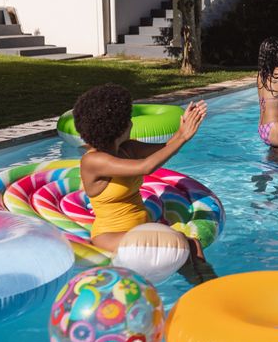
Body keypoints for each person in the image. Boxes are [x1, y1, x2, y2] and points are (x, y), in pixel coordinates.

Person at [73, 83, 215, 280]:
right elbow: (146, 167)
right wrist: (182, 137)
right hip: (110, 236)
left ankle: (207, 289)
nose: (131, 123)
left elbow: (165, 147)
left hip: (142, 228)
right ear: (118, 126)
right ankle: (205, 289)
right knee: (182, 243)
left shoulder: (128, 148)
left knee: (192, 245)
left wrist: (184, 131)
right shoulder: (93, 160)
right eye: (128, 120)